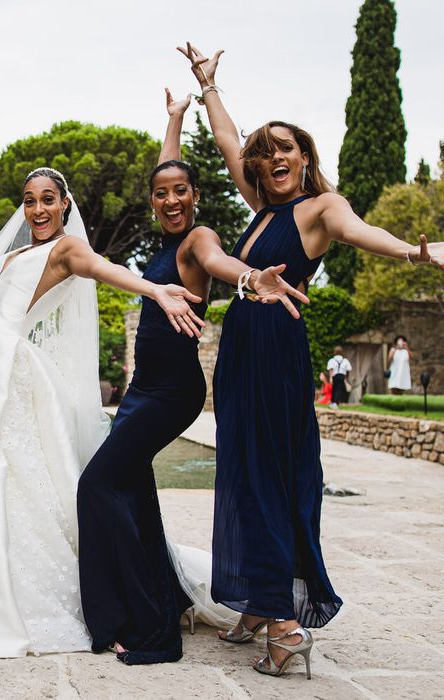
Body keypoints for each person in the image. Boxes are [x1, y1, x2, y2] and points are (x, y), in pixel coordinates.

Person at [181, 42, 444, 678]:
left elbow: (361, 232)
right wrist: (208, 84)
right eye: (264, 152)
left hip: (275, 346)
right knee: (244, 471)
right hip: (244, 347)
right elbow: (225, 143)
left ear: (305, 156)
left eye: (285, 148)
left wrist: (417, 252)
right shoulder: (262, 211)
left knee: (267, 476)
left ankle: (285, 624)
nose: (274, 158)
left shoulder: (319, 210)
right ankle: (256, 601)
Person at [0, 167, 204, 657]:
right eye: (30, 201)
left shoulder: (66, 249)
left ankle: (5, 594)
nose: (38, 210)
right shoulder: (9, 254)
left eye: (48, 199)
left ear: (65, 204)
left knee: (7, 482)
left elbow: (103, 268)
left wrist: (154, 290)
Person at [77, 90, 308, 665]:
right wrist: (175, 120)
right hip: (140, 394)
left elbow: (221, 264)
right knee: (132, 488)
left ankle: (147, 623)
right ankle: (172, 594)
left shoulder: (198, 239)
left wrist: (252, 280)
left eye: (182, 191)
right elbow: (166, 169)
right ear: (154, 201)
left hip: (170, 394)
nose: (172, 199)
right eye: (162, 193)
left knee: (97, 487)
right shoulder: (164, 237)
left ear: (197, 197)